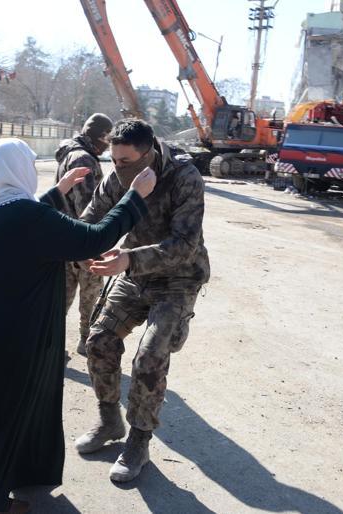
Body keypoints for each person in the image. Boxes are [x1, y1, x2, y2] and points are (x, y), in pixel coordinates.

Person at [0, 137, 156, 514]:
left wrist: (59, 192)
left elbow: (27, 222)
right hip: (4, 340)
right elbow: (92, 238)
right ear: (18, 170)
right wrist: (135, 197)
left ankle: (9, 489)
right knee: (5, 423)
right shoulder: (24, 217)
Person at [75, 119, 210, 483]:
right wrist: (84, 246)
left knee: (150, 355)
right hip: (134, 272)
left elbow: (185, 245)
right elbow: (93, 216)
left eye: (126, 161)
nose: (118, 168)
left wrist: (129, 259)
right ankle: (109, 420)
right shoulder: (117, 173)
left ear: (148, 153)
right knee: (98, 340)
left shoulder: (185, 177)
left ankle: (138, 440)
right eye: (114, 160)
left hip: (177, 279)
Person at [54, 113, 113, 356]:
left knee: (61, 299)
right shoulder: (84, 160)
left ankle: (51, 344)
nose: (108, 145)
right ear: (100, 137)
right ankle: (85, 340)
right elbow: (87, 209)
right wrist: (92, 247)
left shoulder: (68, 153)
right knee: (90, 296)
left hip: (62, 239)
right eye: (107, 140)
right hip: (81, 242)